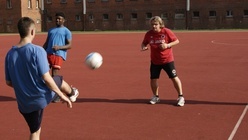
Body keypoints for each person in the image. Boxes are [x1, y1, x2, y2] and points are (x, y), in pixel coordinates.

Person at [4, 17, 79, 140]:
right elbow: (46, 78)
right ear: (32, 32)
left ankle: (72, 93)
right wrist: (61, 95)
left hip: (23, 103)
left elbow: (8, 82)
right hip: (39, 97)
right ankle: (72, 92)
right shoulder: (37, 51)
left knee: (35, 131)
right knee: (58, 80)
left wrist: (24, 85)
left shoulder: (9, 54)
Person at [141, 16, 185, 106]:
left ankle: (181, 97)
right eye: (152, 24)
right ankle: (155, 96)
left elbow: (176, 41)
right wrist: (143, 47)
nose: (154, 26)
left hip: (167, 60)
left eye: (156, 24)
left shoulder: (166, 32)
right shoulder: (149, 34)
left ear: (160, 24)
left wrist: (167, 45)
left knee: (174, 77)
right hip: (155, 61)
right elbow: (144, 43)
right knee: (153, 79)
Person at [43, 12, 72, 76]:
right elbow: (46, 43)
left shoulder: (66, 31)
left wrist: (59, 47)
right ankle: (47, 85)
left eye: (59, 18)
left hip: (58, 54)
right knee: (43, 72)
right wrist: (41, 51)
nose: (57, 20)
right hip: (48, 53)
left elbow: (69, 45)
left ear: (63, 20)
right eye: (56, 18)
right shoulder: (51, 30)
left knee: (54, 73)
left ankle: (56, 85)